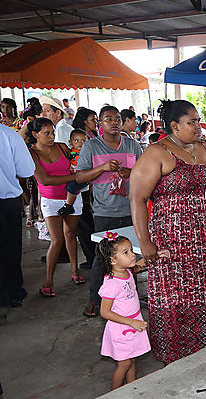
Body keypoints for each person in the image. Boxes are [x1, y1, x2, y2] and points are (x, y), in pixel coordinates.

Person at [130, 99, 206, 364]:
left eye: (199, 120)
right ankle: (180, 354)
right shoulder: (156, 153)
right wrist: (145, 242)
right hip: (177, 243)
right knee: (180, 295)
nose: (199, 126)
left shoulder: (205, 148)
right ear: (174, 126)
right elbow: (136, 198)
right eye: (192, 122)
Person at [76, 105, 143, 318]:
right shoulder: (92, 147)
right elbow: (79, 178)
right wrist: (101, 169)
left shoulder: (133, 145)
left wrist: (130, 172)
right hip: (106, 212)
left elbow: (145, 173)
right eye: (108, 119)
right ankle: (96, 299)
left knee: (134, 254)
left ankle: (128, 295)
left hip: (133, 209)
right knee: (103, 257)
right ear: (100, 123)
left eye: (117, 119)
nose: (114, 123)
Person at [27, 118, 84, 298]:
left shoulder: (62, 147)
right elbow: (44, 180)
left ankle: (75, 271)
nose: (52, 136)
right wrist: (75, 178)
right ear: (35, 135)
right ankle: (48, 279)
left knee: (71, 235)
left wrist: (80, 175)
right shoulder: (32, 154)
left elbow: (77, 162)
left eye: (52, 132)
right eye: (47, 133)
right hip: (50, 200)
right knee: (57, 240)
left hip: (72, 197)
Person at [95, 233, 159, 390]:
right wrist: (132, 322)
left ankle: (131, 388)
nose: (132, 254)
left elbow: (137, 267)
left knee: (132, 359)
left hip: (133, 323)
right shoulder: (111, 284)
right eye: (126, 252)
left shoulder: (126, 271)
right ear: (112, 260)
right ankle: (115, 394)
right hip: (122, 327)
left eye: (131, 250)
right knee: (124, 364)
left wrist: (154, 256)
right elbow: (105, 312)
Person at [0, 121, 35, 323]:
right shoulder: (9, 135)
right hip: (6, 202)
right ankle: (12, 293)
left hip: (7, 201)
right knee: (10, 248)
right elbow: (26, 170)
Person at [71, 108, 99, 269]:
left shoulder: (93, 136)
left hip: (91, 184)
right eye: (92, 119)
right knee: (84, 222)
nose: (95, 122)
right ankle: (91, 257)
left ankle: (93, 255)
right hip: (81, 185)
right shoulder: (80, 136)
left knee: (89, 219)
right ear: (84, 121)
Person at [56, 129, 88, 216]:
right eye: (76, 140)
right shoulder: (70, 152)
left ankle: (68, 205)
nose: (80, 143)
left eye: (83, 141)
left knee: (72, 186)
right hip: (72, 175)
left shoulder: (87, 153)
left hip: (83, 176)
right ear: (70, 142)